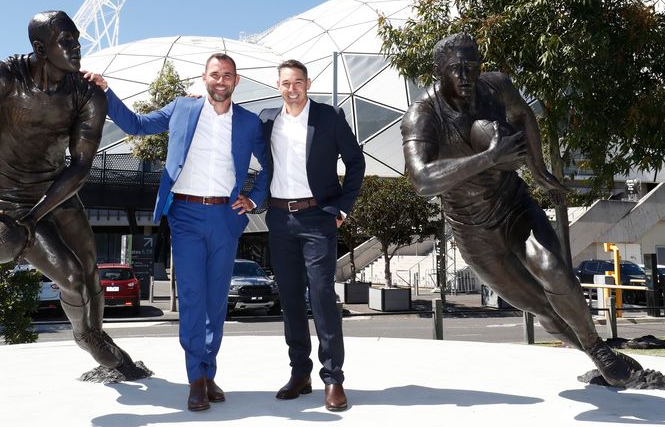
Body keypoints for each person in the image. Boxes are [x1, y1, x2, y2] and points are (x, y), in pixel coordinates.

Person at [401, 32, 643, 387]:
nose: (466, 76)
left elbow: (523, 113)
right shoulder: (422, 115)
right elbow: (421, 180)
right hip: (472, 231)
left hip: (514, 205)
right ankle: (597, 354)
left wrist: (539, 168)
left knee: (554, 270)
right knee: (541, 307)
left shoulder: (496, 87)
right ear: (438, 71)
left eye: (473, 66)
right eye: (456, 69)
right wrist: (489, 158)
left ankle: (599, 349)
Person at [0, 11, 149, 380]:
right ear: (41, 48)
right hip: (8, 208)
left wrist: (38, 213)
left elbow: (80, 167)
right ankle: (88, 337)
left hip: (57, 196)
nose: (76, 48)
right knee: (72, 277)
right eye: (66, 42)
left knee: (90, 268)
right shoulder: (1, 78)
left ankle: (98, 334)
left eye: (77, 40)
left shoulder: (86, 93)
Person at [84, 53, 270, 411]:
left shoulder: (248, 122)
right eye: (215, 74)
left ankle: (209, 371)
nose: (221, 80)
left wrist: (254, 198)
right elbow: (137, 125)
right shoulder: (183, 108)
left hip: (226, 217)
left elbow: (270, 165)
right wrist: (107, 91)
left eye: (227, 75)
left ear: (237, 80)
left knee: (217, 303)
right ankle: (195, 379)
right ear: (204, 77)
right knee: (192, 297)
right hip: (184, 213)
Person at [259, 59, 365, 411]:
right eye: (286, 82)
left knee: (321, 296)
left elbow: (356, 162)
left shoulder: (328, 117)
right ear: (278, 85)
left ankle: (333, 378)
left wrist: (342, 207)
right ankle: (300, 373)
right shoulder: (266, 119)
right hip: (278, 218)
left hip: (318, 218)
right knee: (289, 300)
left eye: (298, 82)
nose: (293, 88)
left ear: (308, 83)